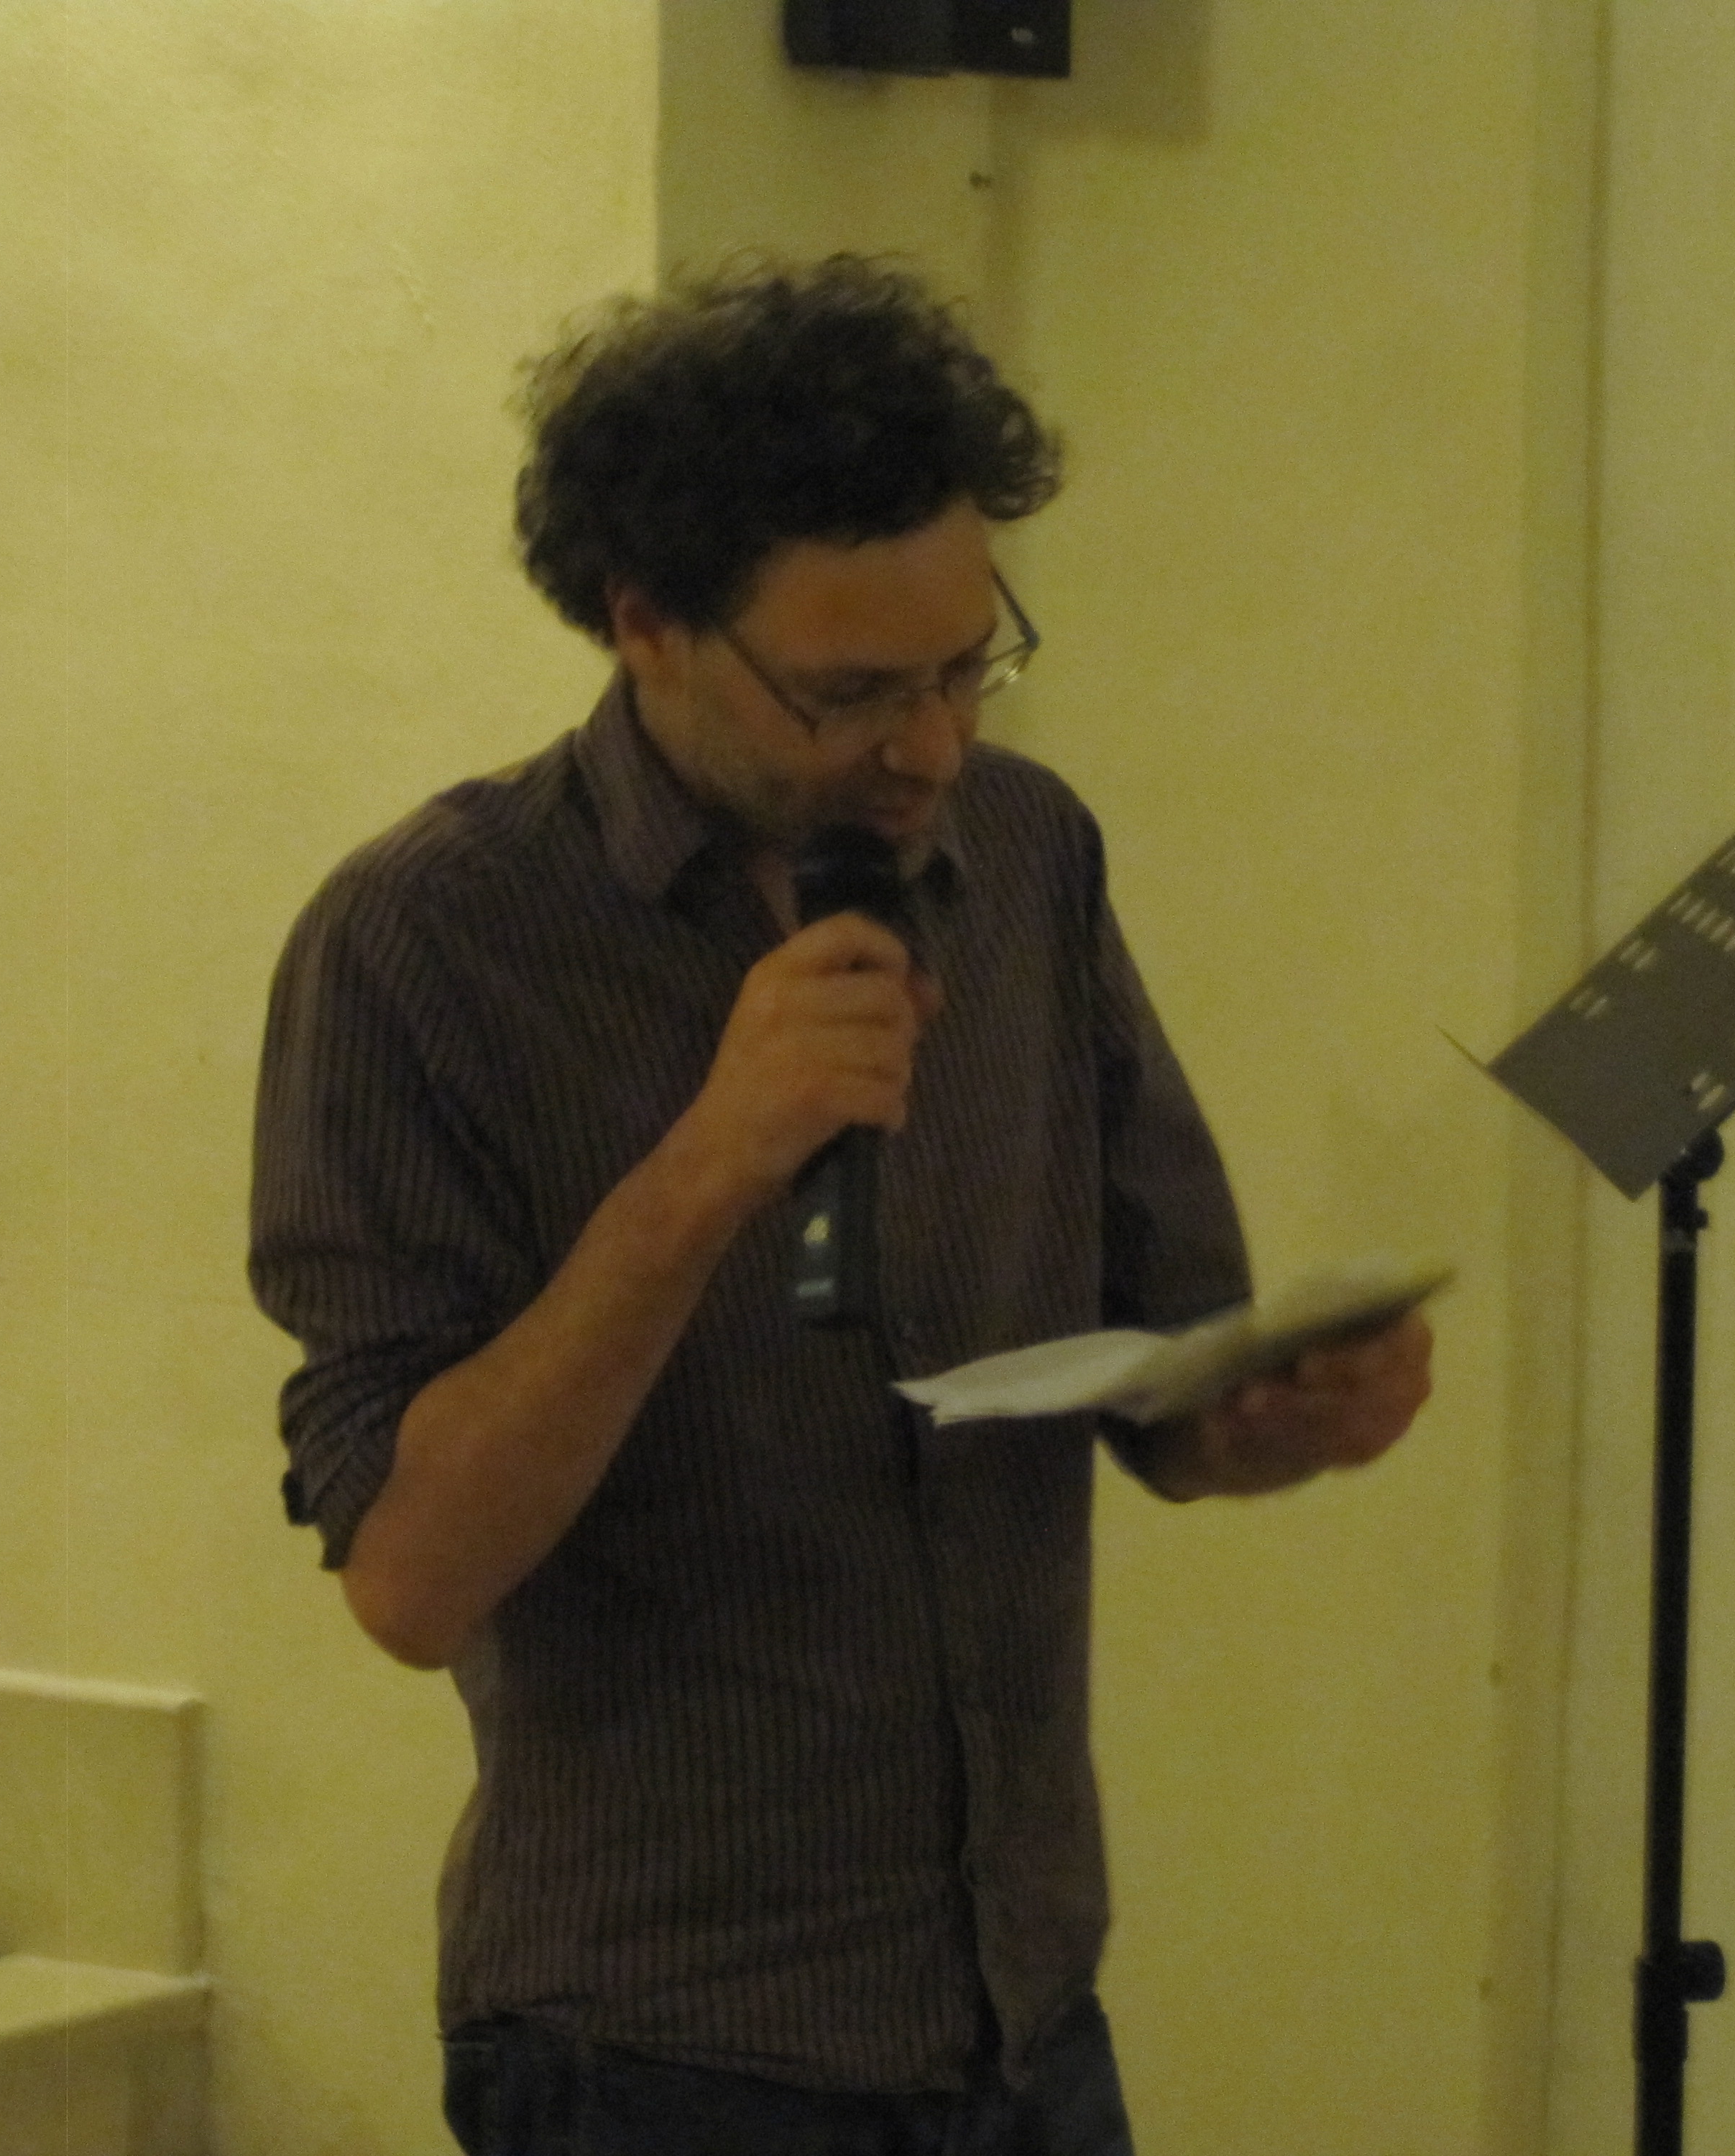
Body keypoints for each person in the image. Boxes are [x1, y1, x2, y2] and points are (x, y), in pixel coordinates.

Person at [249, 256, 1435, 2156]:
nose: (933, 745)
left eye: (967, 665)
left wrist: (1284, 1416)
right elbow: (408, 1577)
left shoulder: (1024, 855)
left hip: (1022, 2015)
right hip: (661, 2053)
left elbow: (1164, 1380)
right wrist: (712, 1161)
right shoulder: (428, 944)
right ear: (645, 622)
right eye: (854, 692)